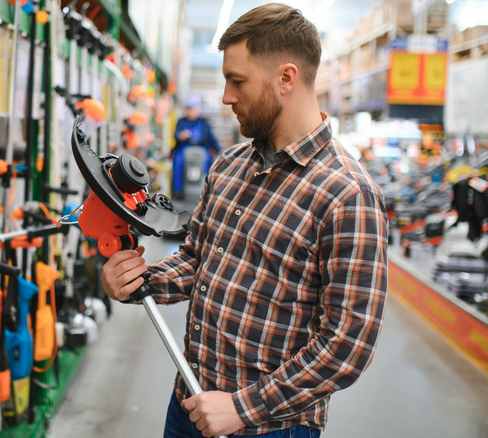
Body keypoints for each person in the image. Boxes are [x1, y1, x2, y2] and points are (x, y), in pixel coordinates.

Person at [101, 4, 388, 437]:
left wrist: (243, 407)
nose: (226, 97)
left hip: (269, 427)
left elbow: (347, 345)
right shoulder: (230, 164)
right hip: (190, 403)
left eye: (237, 81)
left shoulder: (348, 195)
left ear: (286, 78)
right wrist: (140, 280)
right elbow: (198, 259)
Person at [171, 98, 221, 199]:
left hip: (201, 149)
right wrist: (181, 136)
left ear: (198, 110)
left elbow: (211, 137)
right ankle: (178, 191)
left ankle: (205, 189)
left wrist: (218, 149)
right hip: (184, 148)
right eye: (188, 109)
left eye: (193, 109)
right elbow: (176, 135)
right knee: (178, 161)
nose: (191, 112)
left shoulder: (204, 123)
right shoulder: (181, 122)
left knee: (207, 162)